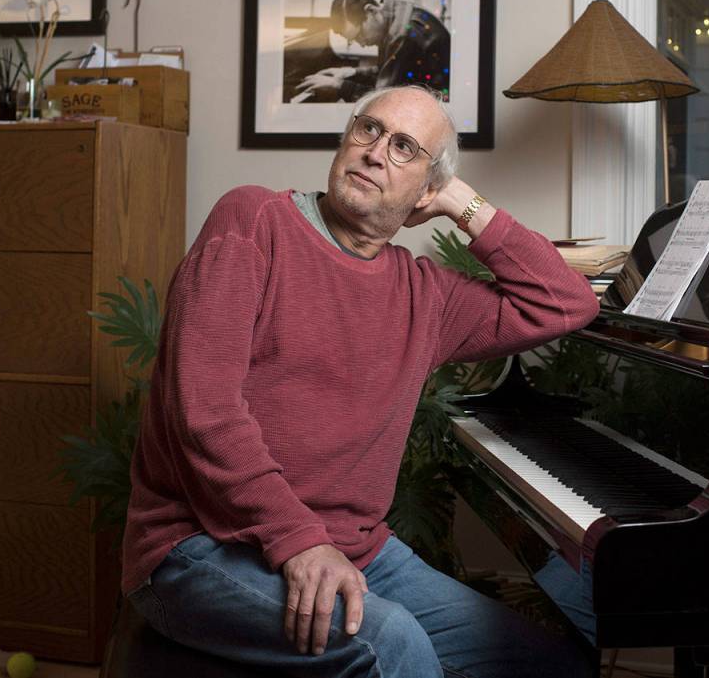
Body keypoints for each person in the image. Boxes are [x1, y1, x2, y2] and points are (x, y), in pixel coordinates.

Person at [122, 85, 600, 677]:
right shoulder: (253, 221)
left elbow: (566, 303)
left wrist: (460, 200)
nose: (375, 152)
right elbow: (205, 412)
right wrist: (299, 539)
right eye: (369, 129)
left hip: (358, 551)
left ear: (426, 191)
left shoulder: (427, 296)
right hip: (200, 546)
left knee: (550, 666)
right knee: (393, 642)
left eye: (405, 148)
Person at [295, 0, 451, 102]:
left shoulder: (403, 35)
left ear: (371, 11)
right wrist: (351, 73)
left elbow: (386, 101)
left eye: (359, 35)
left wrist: (339, 86)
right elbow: (392, 71)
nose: (362, 44)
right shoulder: (395, 15)